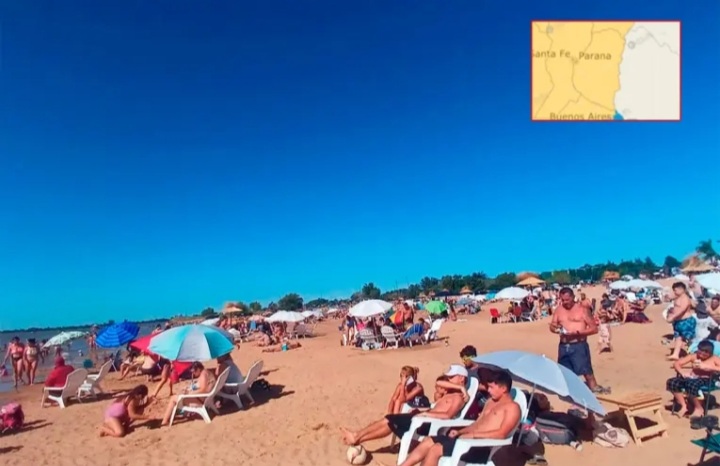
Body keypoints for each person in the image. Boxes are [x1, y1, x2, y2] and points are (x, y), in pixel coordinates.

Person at [398, 370, 521, 466]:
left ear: (503, 388)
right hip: (466, 440)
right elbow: (477, 424)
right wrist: (460, 432)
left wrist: (472, 436)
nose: (488, 390)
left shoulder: (512, 408)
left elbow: (501, 434)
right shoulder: (490, 402)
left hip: (480, 447)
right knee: (428, 441)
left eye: (491, 387)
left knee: (436, 449)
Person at [340, 365, 468, 446]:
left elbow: (447, 415)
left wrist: (426, 414)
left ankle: (356, 436)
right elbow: (439, 382)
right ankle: (358, 438)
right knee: (390, 422)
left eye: (452, 377)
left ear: (461, 378)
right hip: (422, 417)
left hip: (426, 423)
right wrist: (460, 387)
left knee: (389, 419)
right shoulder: (451, 392)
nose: (448, 379)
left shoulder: (459, 398)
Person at [549, 287, 609, 394]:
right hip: (563, 345)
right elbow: (552, 326)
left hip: (579, 345)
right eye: (562, 300)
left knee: (586, 371)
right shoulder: (558, 310)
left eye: (567, 299)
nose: (565, 302)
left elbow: (594, 329)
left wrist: (578, 333)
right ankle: (570, 391)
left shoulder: (583, 310)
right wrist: (555, 329)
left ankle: (594, 388)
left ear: (573, 297)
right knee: (565, 371)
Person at [666, 340, 720, 417]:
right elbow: (677, 363)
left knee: (691, 384)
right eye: (700, 351)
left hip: (708, 380)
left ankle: (699, 408)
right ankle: (684, 405)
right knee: (672, 382)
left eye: (705, 352)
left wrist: (708, 367)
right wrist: (682, 372)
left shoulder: (714, 359)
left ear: (710, 353)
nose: (701, 354)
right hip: (693, 378)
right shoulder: (694, 356)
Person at [160, 362, 214, 426]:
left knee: (173, 399)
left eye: (194, 372)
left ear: (199, 369)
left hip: (201, 400)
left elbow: (203, 389)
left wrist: (190, 393)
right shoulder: (207, 372)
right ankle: (172, 414)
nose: (193, 374)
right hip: (206, 398)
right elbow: (203, 387)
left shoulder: (203, 375)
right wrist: (191, 389)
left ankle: (165, 421)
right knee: (177, 397)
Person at [667, 282, 696, 361]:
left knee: (688, 339)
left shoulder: (685, 299)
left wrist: (672, 317)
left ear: (681, 289)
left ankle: (694, 354)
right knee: (678, 338)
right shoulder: (677, 297)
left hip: (686, 321)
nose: (674, 292)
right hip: (678, 321)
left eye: (675, 290)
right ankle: (675, 354)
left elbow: (682, 310)